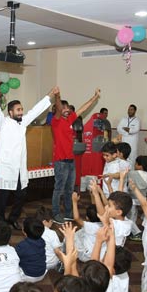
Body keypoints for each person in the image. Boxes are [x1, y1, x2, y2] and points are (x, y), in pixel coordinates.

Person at [0, 86, 59, 230]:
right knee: (2, 197)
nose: (21, 112)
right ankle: (1, 221)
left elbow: (36, 110)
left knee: (21, 196)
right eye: (18, 110)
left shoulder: (23, 122)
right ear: (10, 112)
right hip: (6, 168)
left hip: (20, 168)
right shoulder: (3, 123)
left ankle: (13, 218)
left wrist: (49, 95)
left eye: (21, 109)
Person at [50, 88, 100, 224]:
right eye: (64, 108)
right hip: (60, 162)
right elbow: (59, 107)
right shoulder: (56, 121)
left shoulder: (70, 119)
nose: (67, 110)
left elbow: (82, 109)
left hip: (70, 161)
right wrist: (58, 96)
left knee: (69, 189)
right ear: (58, 110)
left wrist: (94, 98)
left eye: (68, 108)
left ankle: (68, 212)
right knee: (58, 189)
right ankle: (55, 213)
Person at [126, 155, 147, 242]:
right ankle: (135, 231)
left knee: (130, 216)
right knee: (139, 215)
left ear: (139, 166)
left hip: (132, 198)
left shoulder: (132, 173)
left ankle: (137, 232)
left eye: (136, 164)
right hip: (143, 199)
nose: (135, 165)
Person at [71, 191, 103, 262]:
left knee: (71, 236)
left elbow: (76, 218)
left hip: (87, 256)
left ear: (87, 218)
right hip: (100, 254)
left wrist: (74, 202)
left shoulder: (89, 226)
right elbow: (97, 210)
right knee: (81, 232)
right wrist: (93, 196)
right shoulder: (105, 223)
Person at [16, 217, 48, 282]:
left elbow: (15, 257)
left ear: (24, 231)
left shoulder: (22, 245)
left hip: (28, 276)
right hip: (42, 273)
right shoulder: (42, 241)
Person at [35, 206, 64, 271]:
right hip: (50, 263)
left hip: (37, 262)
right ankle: (60, 265)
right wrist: (66, 262)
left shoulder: (33, 230)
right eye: (51, 221)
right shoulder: (51, 233)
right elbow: (57, 252)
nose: (52, 222)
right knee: (65, 245)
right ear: (44, 222)